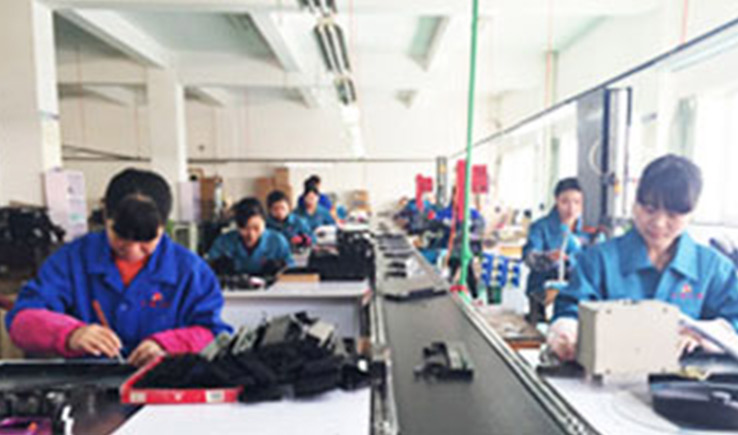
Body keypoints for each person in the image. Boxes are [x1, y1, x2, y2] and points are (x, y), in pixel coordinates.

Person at [6, 168, 231, 367]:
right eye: (121, 236)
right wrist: (70, 334)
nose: (132, 250)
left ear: (164, 226)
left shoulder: (191, 272)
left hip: (163, 387)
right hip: (87, 387)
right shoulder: (71, 261)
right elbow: (21, 320)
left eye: (146, 240)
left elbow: (214, 334)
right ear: (106, 217)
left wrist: (167, 344)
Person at [548, 155, 738, 361]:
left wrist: (701, 336)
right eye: (649, 210)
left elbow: (734, 320)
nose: (658, 223)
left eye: (672, 215)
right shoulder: (598, 261)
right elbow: (570, 310)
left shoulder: (713, 268)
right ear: (634, 204)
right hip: (609, 375)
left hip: (689, 379)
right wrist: (566, 333)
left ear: (691, 214)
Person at [523, 178, 602, 322]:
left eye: (577, 202)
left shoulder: (591, 232)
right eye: (565, 202)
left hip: (579, 297)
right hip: (543, 296)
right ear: (556, 200)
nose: (571, 208)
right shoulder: (540, 227)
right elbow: (529, 257)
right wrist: (548, 257)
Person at [207, 197, 293, 276]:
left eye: (256, 228)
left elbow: (292, 272)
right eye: (244, 228)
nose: (251, 235)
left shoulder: (277, 241)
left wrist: (281, 268)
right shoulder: (223, 242)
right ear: (237, 226)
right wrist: (218, 266)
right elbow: (207, 268)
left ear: (264, 222)